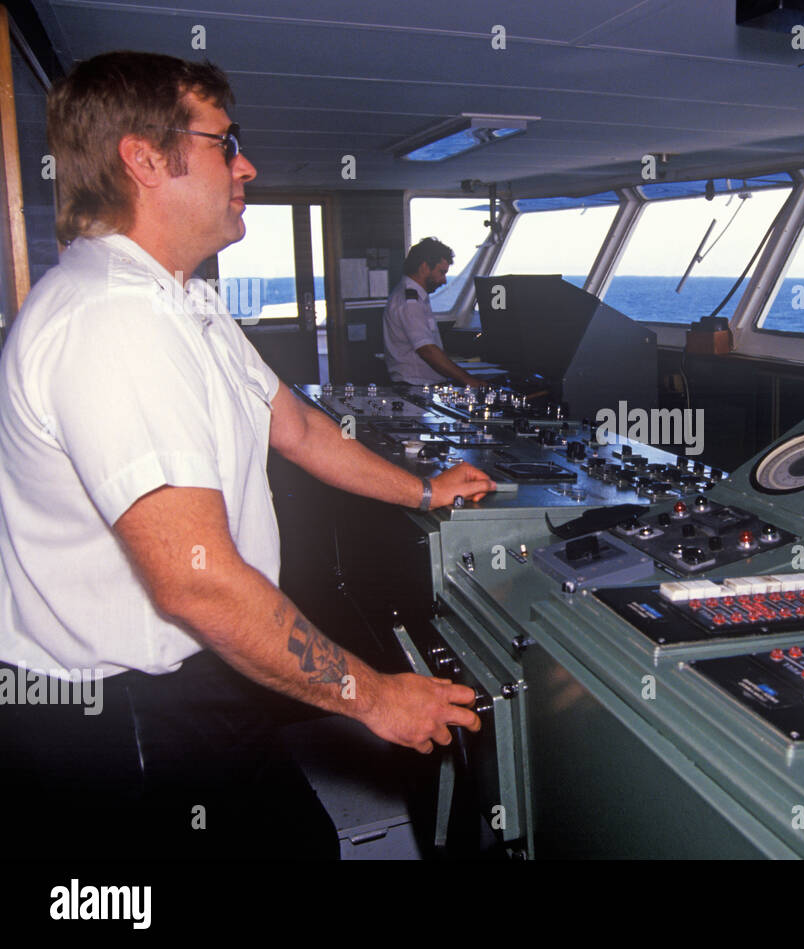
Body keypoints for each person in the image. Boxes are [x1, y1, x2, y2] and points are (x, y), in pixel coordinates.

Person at [0, 51, 497, 858]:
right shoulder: (112, 321)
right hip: (124, 708)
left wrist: (423, 491)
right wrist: (373, 697)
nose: (247, 165)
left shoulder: (184, 300)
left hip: (199, 673)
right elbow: (194, 579)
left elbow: (294, 426)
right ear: (145, 157)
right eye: (225, 143)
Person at [384, 238, 485, 387]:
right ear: (424, 267)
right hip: (416, 386)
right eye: (442, 272)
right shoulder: (410, 302)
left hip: (422, 385)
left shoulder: (414, 297)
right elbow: (427, 350)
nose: (444, 280)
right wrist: (469, 380)